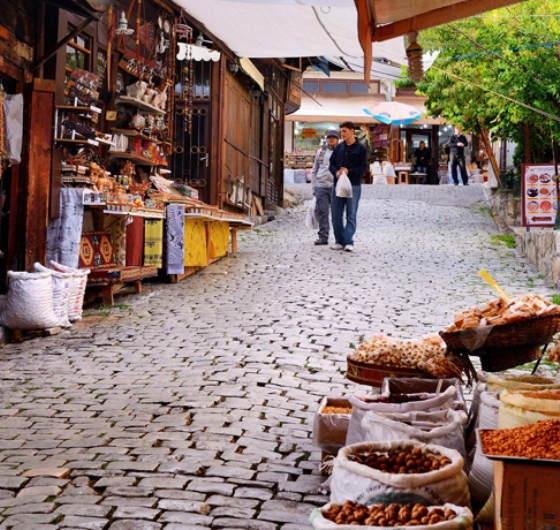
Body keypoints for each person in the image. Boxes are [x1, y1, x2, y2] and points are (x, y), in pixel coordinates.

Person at [328, 121, 369, 252]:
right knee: (335, 214)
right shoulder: (339, 148)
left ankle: (348, 241)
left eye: (345, 131)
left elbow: (364, 168)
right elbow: (331, 164)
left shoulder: (361, 149)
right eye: (341, 131)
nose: (342, 133)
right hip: (337, 185)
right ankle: (339, 240)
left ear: (352, 131)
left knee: (351, 214)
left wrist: (349, 171)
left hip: (354, 186)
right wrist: (336, 172)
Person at [310, 129, 339, 245]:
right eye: (329, 137)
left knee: (337, 213)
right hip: (321, 186)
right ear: (326, 139)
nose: (331, 139)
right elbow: (314, 170)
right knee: (322, 212)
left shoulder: (341, 151)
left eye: (334, 137)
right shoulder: (320, 152)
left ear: (337, 139)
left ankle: (339, 237)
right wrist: (314, 187)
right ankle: (323, 236)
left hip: (335, 186)